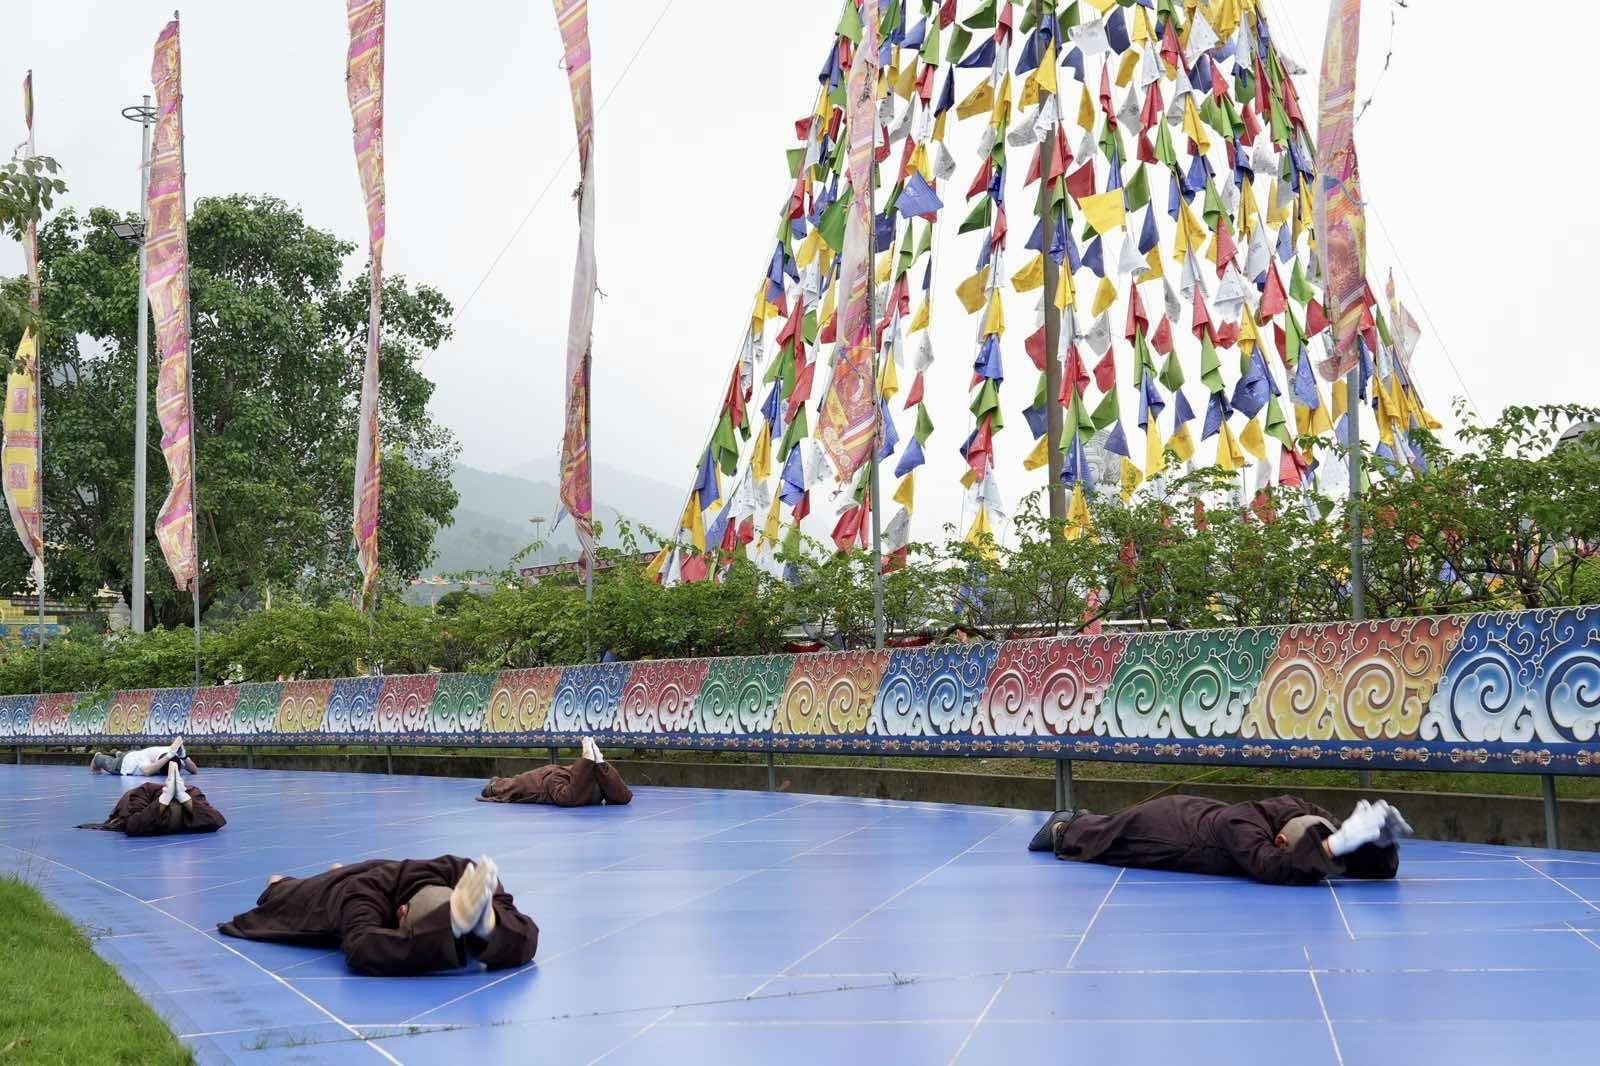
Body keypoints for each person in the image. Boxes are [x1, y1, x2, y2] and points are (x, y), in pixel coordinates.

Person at [218, 854, 537, 977]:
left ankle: (339, 869)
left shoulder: (461, 874)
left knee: (343, 871)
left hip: (379, 869)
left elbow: (527, 932)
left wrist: (488, 924)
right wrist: (450, 921)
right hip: (329, 891)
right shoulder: (364, 894)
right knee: (280, 888)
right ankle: (292, 880)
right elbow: (361, 948)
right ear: (401, 913)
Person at [1027, 794, 1411, 885]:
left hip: (1198, 815)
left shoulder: (1302, 812)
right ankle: (1066, 825)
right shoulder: (1241, 825)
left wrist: (1377, 844)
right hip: (1166, 828)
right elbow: (1271, 867)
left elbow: (1340, 846)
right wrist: (1334, 847)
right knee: (1107, 839)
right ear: (1280, 841)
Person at [77, 762, 226, 837]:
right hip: (127, 764)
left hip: (175, 795)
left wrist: (183, 796)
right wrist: (165, 797)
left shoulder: (192, 793)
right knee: (113, 762)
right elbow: (132, 826)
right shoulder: (142, 793)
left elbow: (217, 820)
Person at [478, 736, 632, 807]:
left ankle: (596, 760)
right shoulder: (555, 779)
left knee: (515, 785)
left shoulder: (596, 776)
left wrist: (598, 761)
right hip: (547, 779)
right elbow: (567, 798)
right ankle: (494, 785)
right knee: (513, 785)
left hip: (555, 777)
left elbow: (624, 798)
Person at [89, 735, 198, 777]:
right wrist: (95, 767)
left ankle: (119, 753)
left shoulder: (174, 756)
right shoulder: (146, 761)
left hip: (136, 753)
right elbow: (147, 771)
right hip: (123, 764)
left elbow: (194, 770)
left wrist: (184, 756)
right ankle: (105, 755)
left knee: (130, 753)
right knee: (101, 760)